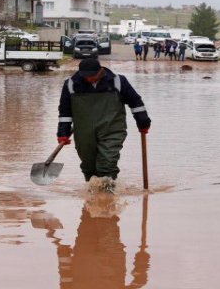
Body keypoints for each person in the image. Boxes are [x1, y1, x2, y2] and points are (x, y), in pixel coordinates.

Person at [57, 57, 151, 191]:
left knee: (106, 163)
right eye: (86, 77)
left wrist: (143, 121)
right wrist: (63, 133)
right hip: (84, 132)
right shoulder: (71, 84)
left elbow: (135, 102)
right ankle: (92, 199)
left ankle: (108, 199)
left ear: (100, 71)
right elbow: (65, 111)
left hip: (112, 129)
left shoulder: (118, 81)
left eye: (92, 76)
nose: (89, 79)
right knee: (88, 166)